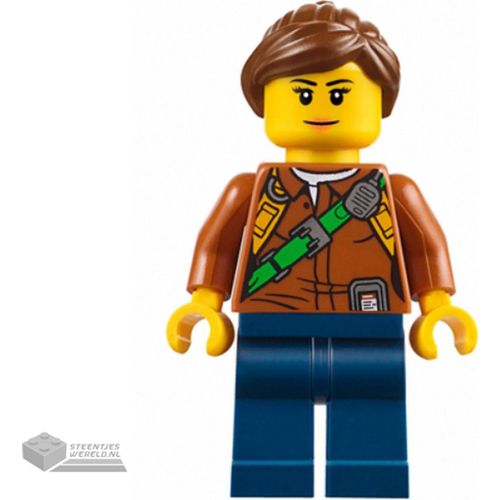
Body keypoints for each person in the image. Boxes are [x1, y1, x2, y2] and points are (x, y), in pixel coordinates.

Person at [167, 2, 477, 497]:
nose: (320, 106)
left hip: (371, 332)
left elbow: (425, 248)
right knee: (267, 445)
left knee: (372, 444)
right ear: (265, 100)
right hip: (269, 330)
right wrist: (204, 303)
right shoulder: (253, 190)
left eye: (339, 93)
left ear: (379, 101)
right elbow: (218, 246)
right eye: (302, 93)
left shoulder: (394, 191)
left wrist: (437, 307)